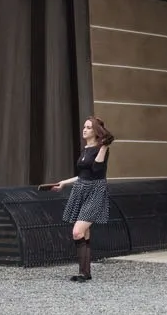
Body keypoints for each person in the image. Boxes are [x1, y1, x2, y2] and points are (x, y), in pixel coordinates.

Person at [42, 116, 114, 282]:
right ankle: (85, 273)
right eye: (84, 126)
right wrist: (63, 183)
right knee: (85, 233)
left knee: (77, 231)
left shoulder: (100, 149)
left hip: (95, 191)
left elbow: (96, 170)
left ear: (96, 132)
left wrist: (103, 146)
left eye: (88, 127)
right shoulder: (86, 149)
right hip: (81, 189)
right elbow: (82, 175)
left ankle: (84, 272)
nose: (85, 129)